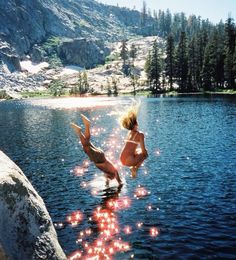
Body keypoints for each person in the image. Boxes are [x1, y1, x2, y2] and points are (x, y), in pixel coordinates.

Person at [71, 114, 122, 187]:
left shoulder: (107, 173)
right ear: (113, 176)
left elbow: (107, 181)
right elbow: (119, 182)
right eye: (112, 178)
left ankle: (79, 130)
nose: (110, 179)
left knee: (86, 145)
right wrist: (119, 185)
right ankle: (87, 125)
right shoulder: (114, 171)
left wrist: (107, 185)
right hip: (98, 157)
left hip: (99, 156)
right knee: (86, 147)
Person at [119, 103, 148, 177]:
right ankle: (135, 169)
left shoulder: (129, 133)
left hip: (122, 158)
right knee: (145, 153)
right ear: (136, 123)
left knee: (138, 151)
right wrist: (145, 155)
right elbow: (143, 150)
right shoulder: (140, 134)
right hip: (129, 160)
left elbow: (130, 148)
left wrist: (136, 153)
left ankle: (133, 168)